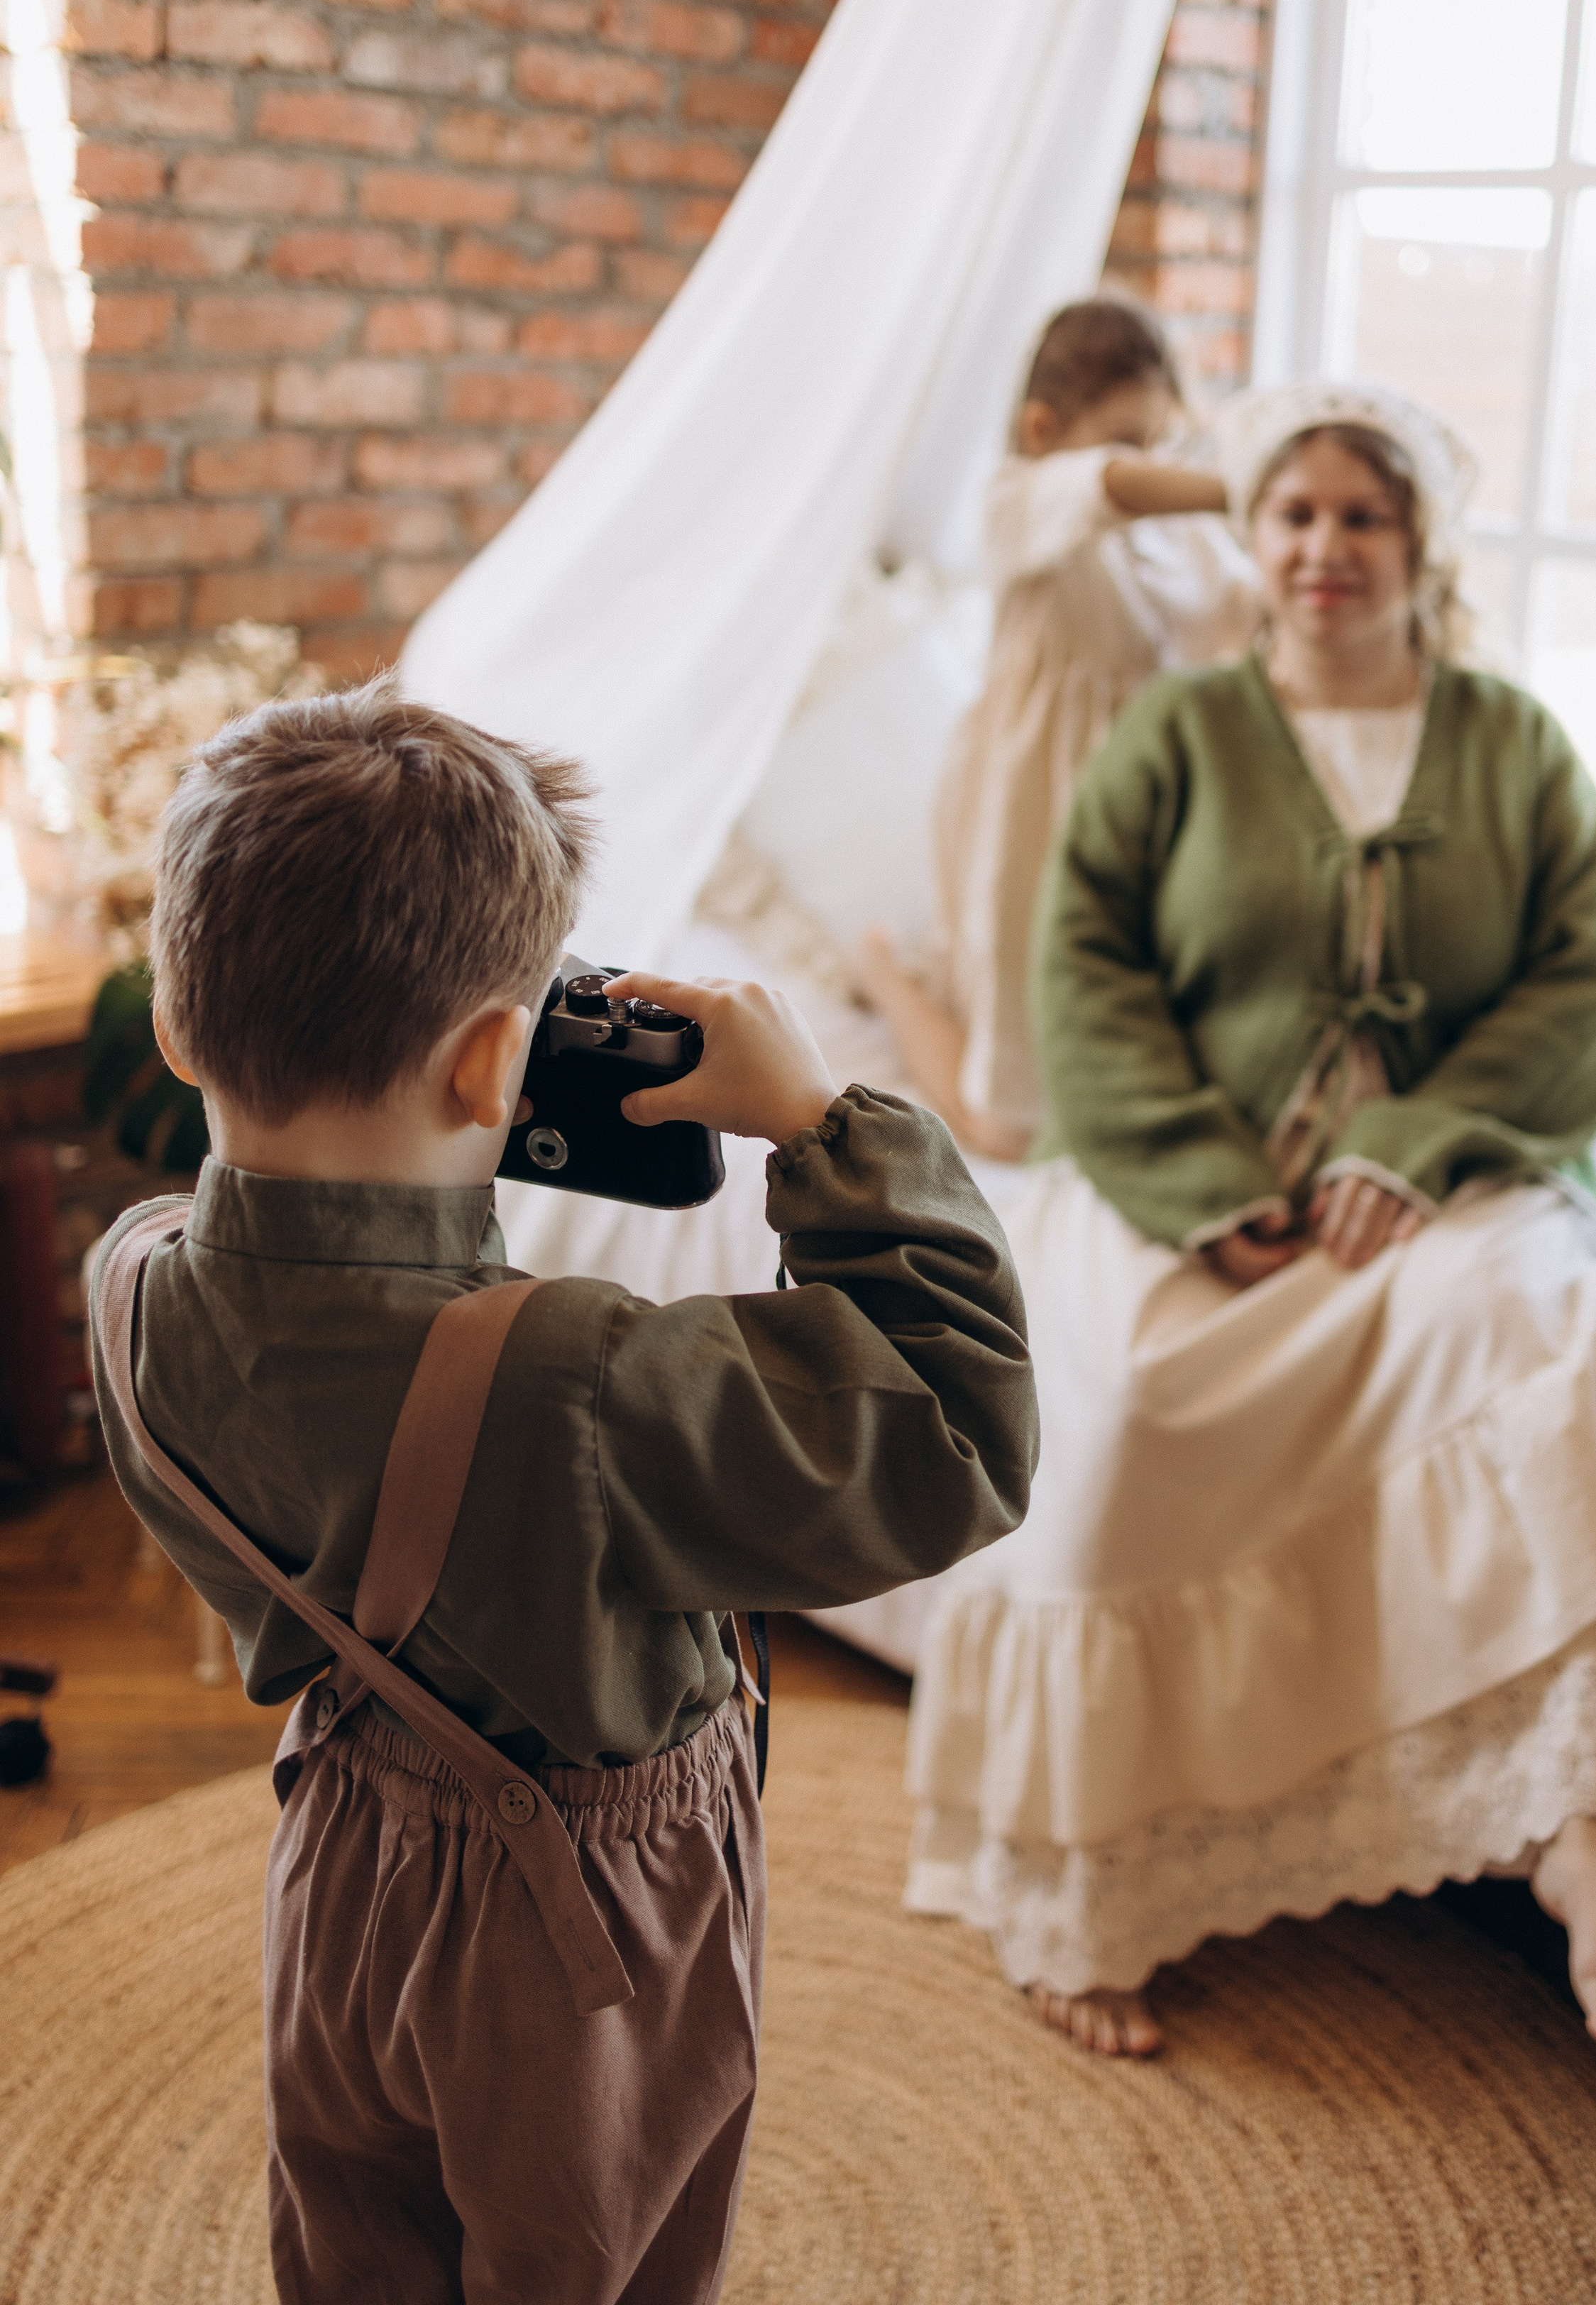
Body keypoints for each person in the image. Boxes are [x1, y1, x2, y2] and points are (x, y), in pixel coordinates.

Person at [87, 681, 1037, 2305]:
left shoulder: (133, 1289)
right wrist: (823, 1119)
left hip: (337, 1871)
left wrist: (451, 1106)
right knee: (593, 2255)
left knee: (353, 2249)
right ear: (496, 1066)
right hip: (575, 1939)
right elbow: (955, 1434)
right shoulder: (586, 1378)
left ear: (176, 1023)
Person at [904, 377, 1596, 2062]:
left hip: (1436, 1177)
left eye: (1359, 515)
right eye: (1291, 513)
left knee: (1509, 1323)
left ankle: (1571, 1828)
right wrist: (1204, 1182)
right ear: (1251, 530)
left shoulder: (1512, 742)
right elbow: (1085, 977)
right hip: (1187, 1178)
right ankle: (1093, 1887)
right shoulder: (1175, 734)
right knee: (1141, 1404)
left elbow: (1579, 980)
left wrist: (1424, 1139)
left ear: (1417, 540)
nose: (1321, 548)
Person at [856, 293, 1259, 1157]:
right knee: (1010, 1124)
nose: (1147, 462)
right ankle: (884, 973)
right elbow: (1100, 486)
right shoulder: (1019, 499)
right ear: (1042, 428)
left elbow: (1242, 617)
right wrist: (1250, 486)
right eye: (1127, 436)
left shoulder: (1177, 539)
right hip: (1030, 801)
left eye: (1159, 439)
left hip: (1140, 811)